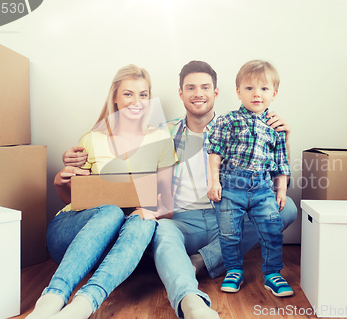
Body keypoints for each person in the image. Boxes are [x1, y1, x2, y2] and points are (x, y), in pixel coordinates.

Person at [62, 60, 297, 319]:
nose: (198, 93)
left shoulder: (240, 129)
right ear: (180, 93)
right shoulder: (163, 133)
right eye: (190, 87)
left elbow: (270, 179)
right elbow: (122, 155)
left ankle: (200, 261)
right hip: (181, 219)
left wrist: (281, 139)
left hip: (230, 215)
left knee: (285, 210)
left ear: (216, 93)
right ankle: (190, 299)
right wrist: (74, 159)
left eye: (205, 87)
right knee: (161, 231)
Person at [26, 64, 176, 319]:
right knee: (109, 211)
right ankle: (50, 300)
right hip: (72, 235)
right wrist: (60, 182)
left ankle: (82, 305)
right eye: (128, 94)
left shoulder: (161, 139)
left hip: (123, 247)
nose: (136, 101)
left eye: (143, 94)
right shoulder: (91, 139)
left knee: (144, 221)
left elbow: (168, 206)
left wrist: (151, 210)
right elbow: (76, 200)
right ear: (115, 97)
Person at [207, 60, 293, 297]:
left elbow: (281, 162)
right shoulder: (228, 120)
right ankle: (233, 270)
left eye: (264, 89)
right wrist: (214, 182)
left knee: (271, 230)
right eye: (249, 88)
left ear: (274, 93)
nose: (257, 94)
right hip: (231, 186)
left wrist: (282, 190)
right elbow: (215, 153)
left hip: (262, 187)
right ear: (238, 92)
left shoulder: (275, 126)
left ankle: (273, 273)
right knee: (229, 232)